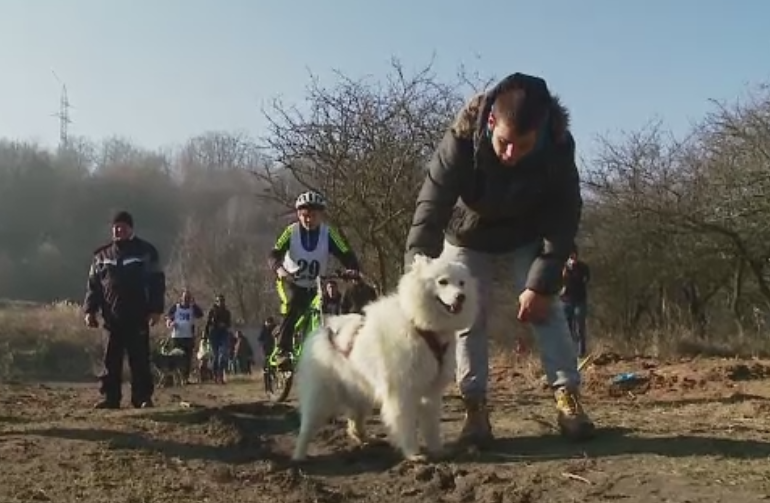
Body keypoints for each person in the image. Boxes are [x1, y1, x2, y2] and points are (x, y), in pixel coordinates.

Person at [404, 73, 595, 445]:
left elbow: (564, 215)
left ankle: (567, 398)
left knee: (548, 308)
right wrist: (415, 277)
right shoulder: (459, 140)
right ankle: (475, 409)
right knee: (465, 315)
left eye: (522, 146)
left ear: (539, 132)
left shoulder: (558, 144)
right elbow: (431, 208)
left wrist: (540, 284)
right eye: (503, 143)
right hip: (467, 235)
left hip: (527, 233)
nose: (510, 155)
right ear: (490, 121)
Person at [268, 190, 361, 368]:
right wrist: (279, 269)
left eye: (313, 215)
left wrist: (353, 270)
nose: (309, 220)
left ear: (321, 215)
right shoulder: (291, 231)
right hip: (291, 281)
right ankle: (283, 350)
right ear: (298, 215)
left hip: (315, 284)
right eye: (304, 216)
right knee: (292, 306)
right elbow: (274, 254)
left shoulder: (328, 233)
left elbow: (346, 253)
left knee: (322, 311)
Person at [83, 211, 166, 409]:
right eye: (115, 226)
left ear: (131, 228)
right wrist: (89, 310)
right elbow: (93, 286)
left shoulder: (146, 251)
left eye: (123, 226)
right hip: (111, 318)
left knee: (139, 360)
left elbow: (157, 282)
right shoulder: (101, 255)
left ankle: (142, 398)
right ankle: (110, 398)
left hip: (138, 316)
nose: (118, 230)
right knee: (110, 361)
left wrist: (156, 310)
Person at [165, 289, 204, 382]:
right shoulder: (176, 307)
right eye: (184, 297)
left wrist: (194, 304)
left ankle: (185, 379)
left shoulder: (192, 308)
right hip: (177, 337)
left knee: (187, 359)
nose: (186, 299)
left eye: (188, 298)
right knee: (175, 357)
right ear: (181, 298)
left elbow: (200, 314)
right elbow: (168, 318)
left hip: (188, 337)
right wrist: (170, 323)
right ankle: (174, 378)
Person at [561, 249, 591, 358]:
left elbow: (585, 280)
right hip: (566, 300)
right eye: (570, 256)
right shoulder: (562, 268)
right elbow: (559, 281)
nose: (572, 258)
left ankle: (581, 351)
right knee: (568, 328)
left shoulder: (583, 267)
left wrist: (575, 271)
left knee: (580, 324)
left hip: (580, 299)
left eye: (574, 256)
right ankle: (569, 351)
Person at [203, 294, 232, 384]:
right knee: (215, 356)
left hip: (223, 334)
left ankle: (220, 376)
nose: (221, 303)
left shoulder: (227, 312)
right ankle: (215, 375)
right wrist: (205, 337)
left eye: (222, 301)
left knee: (222, 355)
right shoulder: (212, 311)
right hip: (214, 334)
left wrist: (224, 325)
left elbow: (229, 324)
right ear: (216, 302)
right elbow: (208, 324)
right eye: (219, 301)